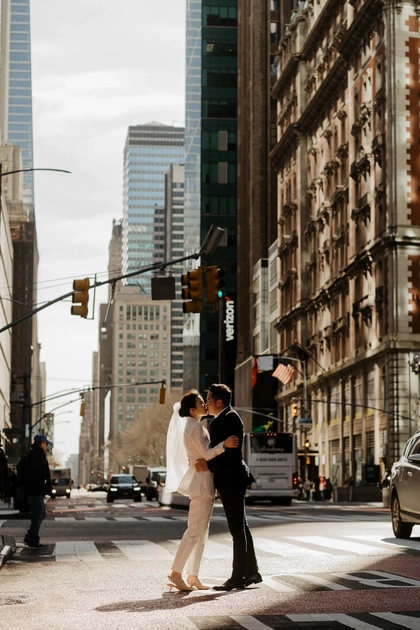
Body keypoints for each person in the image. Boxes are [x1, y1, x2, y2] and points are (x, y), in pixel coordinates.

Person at [166, 390, 239, 592]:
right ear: (192, 409)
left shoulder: (194, 426)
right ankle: (176, 573)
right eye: (201, 402)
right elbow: (207, 454)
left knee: (201, 533)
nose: (205, 404)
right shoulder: (194, 427)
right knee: (194, 532)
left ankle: (193, 576)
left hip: (203, 483)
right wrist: (224, 445)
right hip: (201, 485)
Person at [195, 383, 261, 591]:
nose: (206, 402)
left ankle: (238, 577)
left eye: (208, 397)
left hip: (232, 478)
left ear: (219, 401)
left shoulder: (229, 418)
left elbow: (230, 454)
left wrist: (209, 464)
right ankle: (251, 572)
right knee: (242, 527)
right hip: (230, 478)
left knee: (237, 530)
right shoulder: (221, 418)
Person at [23, 434, 52, 548]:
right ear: (41, 444)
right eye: (45, 444)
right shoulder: (36, 455)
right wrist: (42, 484)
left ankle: (30, 536)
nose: (46, 446)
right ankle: (32, 539)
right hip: (35, 491)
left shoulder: (37, 454)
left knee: (40, 514)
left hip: (36, 490)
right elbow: (36, 474)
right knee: (38, 514)